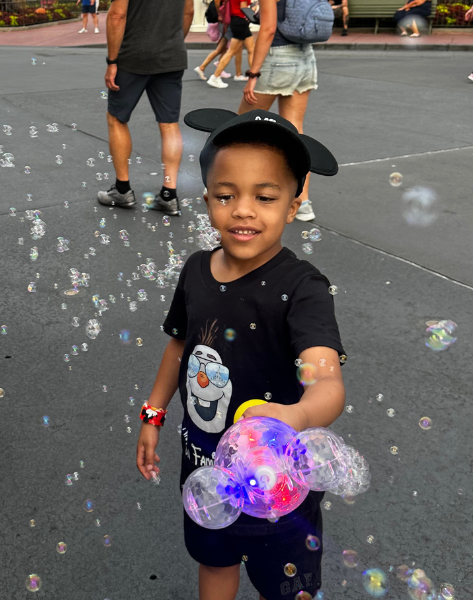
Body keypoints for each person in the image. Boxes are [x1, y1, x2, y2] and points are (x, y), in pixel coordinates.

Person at [137, 108, 345, 600]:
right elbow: (181, 344)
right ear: (208, 198)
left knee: (286, 585)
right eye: (226, 196)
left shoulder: (303, 288)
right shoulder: (196, 269)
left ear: (293, 205)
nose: (243, 210)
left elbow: (328, 383)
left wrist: (295, 415)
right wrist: (153, 411)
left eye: (265, 197)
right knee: (215, 561)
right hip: (206, 470)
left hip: (279, 484)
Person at [98, 0, 195, 216]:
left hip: (133, 55)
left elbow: (117, 15)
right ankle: (169, 195)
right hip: (172, 54)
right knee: (169, 124)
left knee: (117, 119)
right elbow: (188, 11)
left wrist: (112, 61)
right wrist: (173, 42)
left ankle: (122, 190)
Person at [239, 0, 321, 222]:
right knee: (295, 131)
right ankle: (303, 203)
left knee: (240, 128)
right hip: (306, 57)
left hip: (277, 57)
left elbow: (268, 29)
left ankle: (231, 190)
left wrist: (253, 74)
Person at [206, 0, 255, 88]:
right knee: (231, 51)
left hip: (236, 21)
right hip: (241, 21)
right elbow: (243, 9)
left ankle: (252, 76)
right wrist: (253, 11)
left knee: (251, 49)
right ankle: (215, 76)